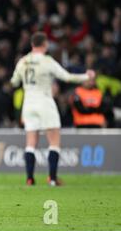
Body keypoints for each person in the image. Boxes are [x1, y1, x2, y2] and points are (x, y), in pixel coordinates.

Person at [10, 32, 95, 186]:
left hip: (28, 104)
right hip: (45, 102)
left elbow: (14, 81)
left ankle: (30, 178)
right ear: (45, 45)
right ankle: (53, 178)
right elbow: (67, 77)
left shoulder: (23, 61)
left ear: (32, 45)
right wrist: (86, 76)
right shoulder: (47, 61)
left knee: (30, 143)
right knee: (54, 141)